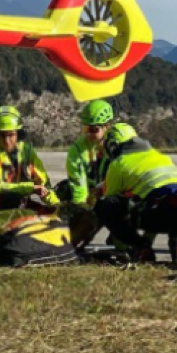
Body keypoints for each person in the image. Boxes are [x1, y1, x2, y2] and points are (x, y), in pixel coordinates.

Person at [93, 123, 177, 265]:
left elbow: (111, 198)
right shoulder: (160, 156)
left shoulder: (118, 163)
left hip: (158, 211)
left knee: (105, 206)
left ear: (113, 145)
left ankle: (141, 248)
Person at [56, 100, 113, 249]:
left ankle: (118, 236)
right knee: (61, 191)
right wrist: (84, 212)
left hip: (110, 194)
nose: (88, 133)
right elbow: (78, 188)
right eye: (86, 129)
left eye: (94, 129)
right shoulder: (77, 150)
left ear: (107, 127)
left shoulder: (117, 146)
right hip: (89, 194)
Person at [0, 108, 55, 213]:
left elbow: (43, 184)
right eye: (2, 135)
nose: (7, 141)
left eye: (11, 135)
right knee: (12, 198)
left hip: (21, 203)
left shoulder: (27, 151)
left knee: (51, 214)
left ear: (19, 133)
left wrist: (56, 205)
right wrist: (31, 188)